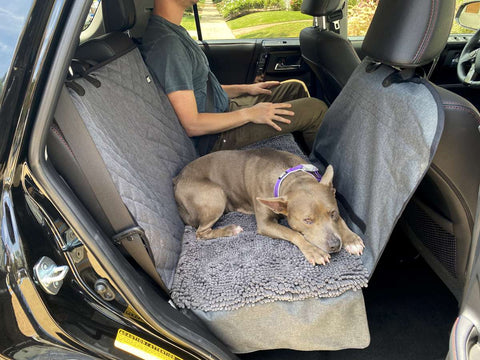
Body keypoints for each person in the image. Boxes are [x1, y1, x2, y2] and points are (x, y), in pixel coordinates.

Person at [141, 0, 328, 155]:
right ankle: (326, 180)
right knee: (316, 109)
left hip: (223, 110)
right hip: (216, 138)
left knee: (294, 88)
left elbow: (199, 90)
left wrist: (246, 89)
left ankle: (302, 156)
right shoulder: (167, 45)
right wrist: (250, 114)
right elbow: (192, 124)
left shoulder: (174, 31)